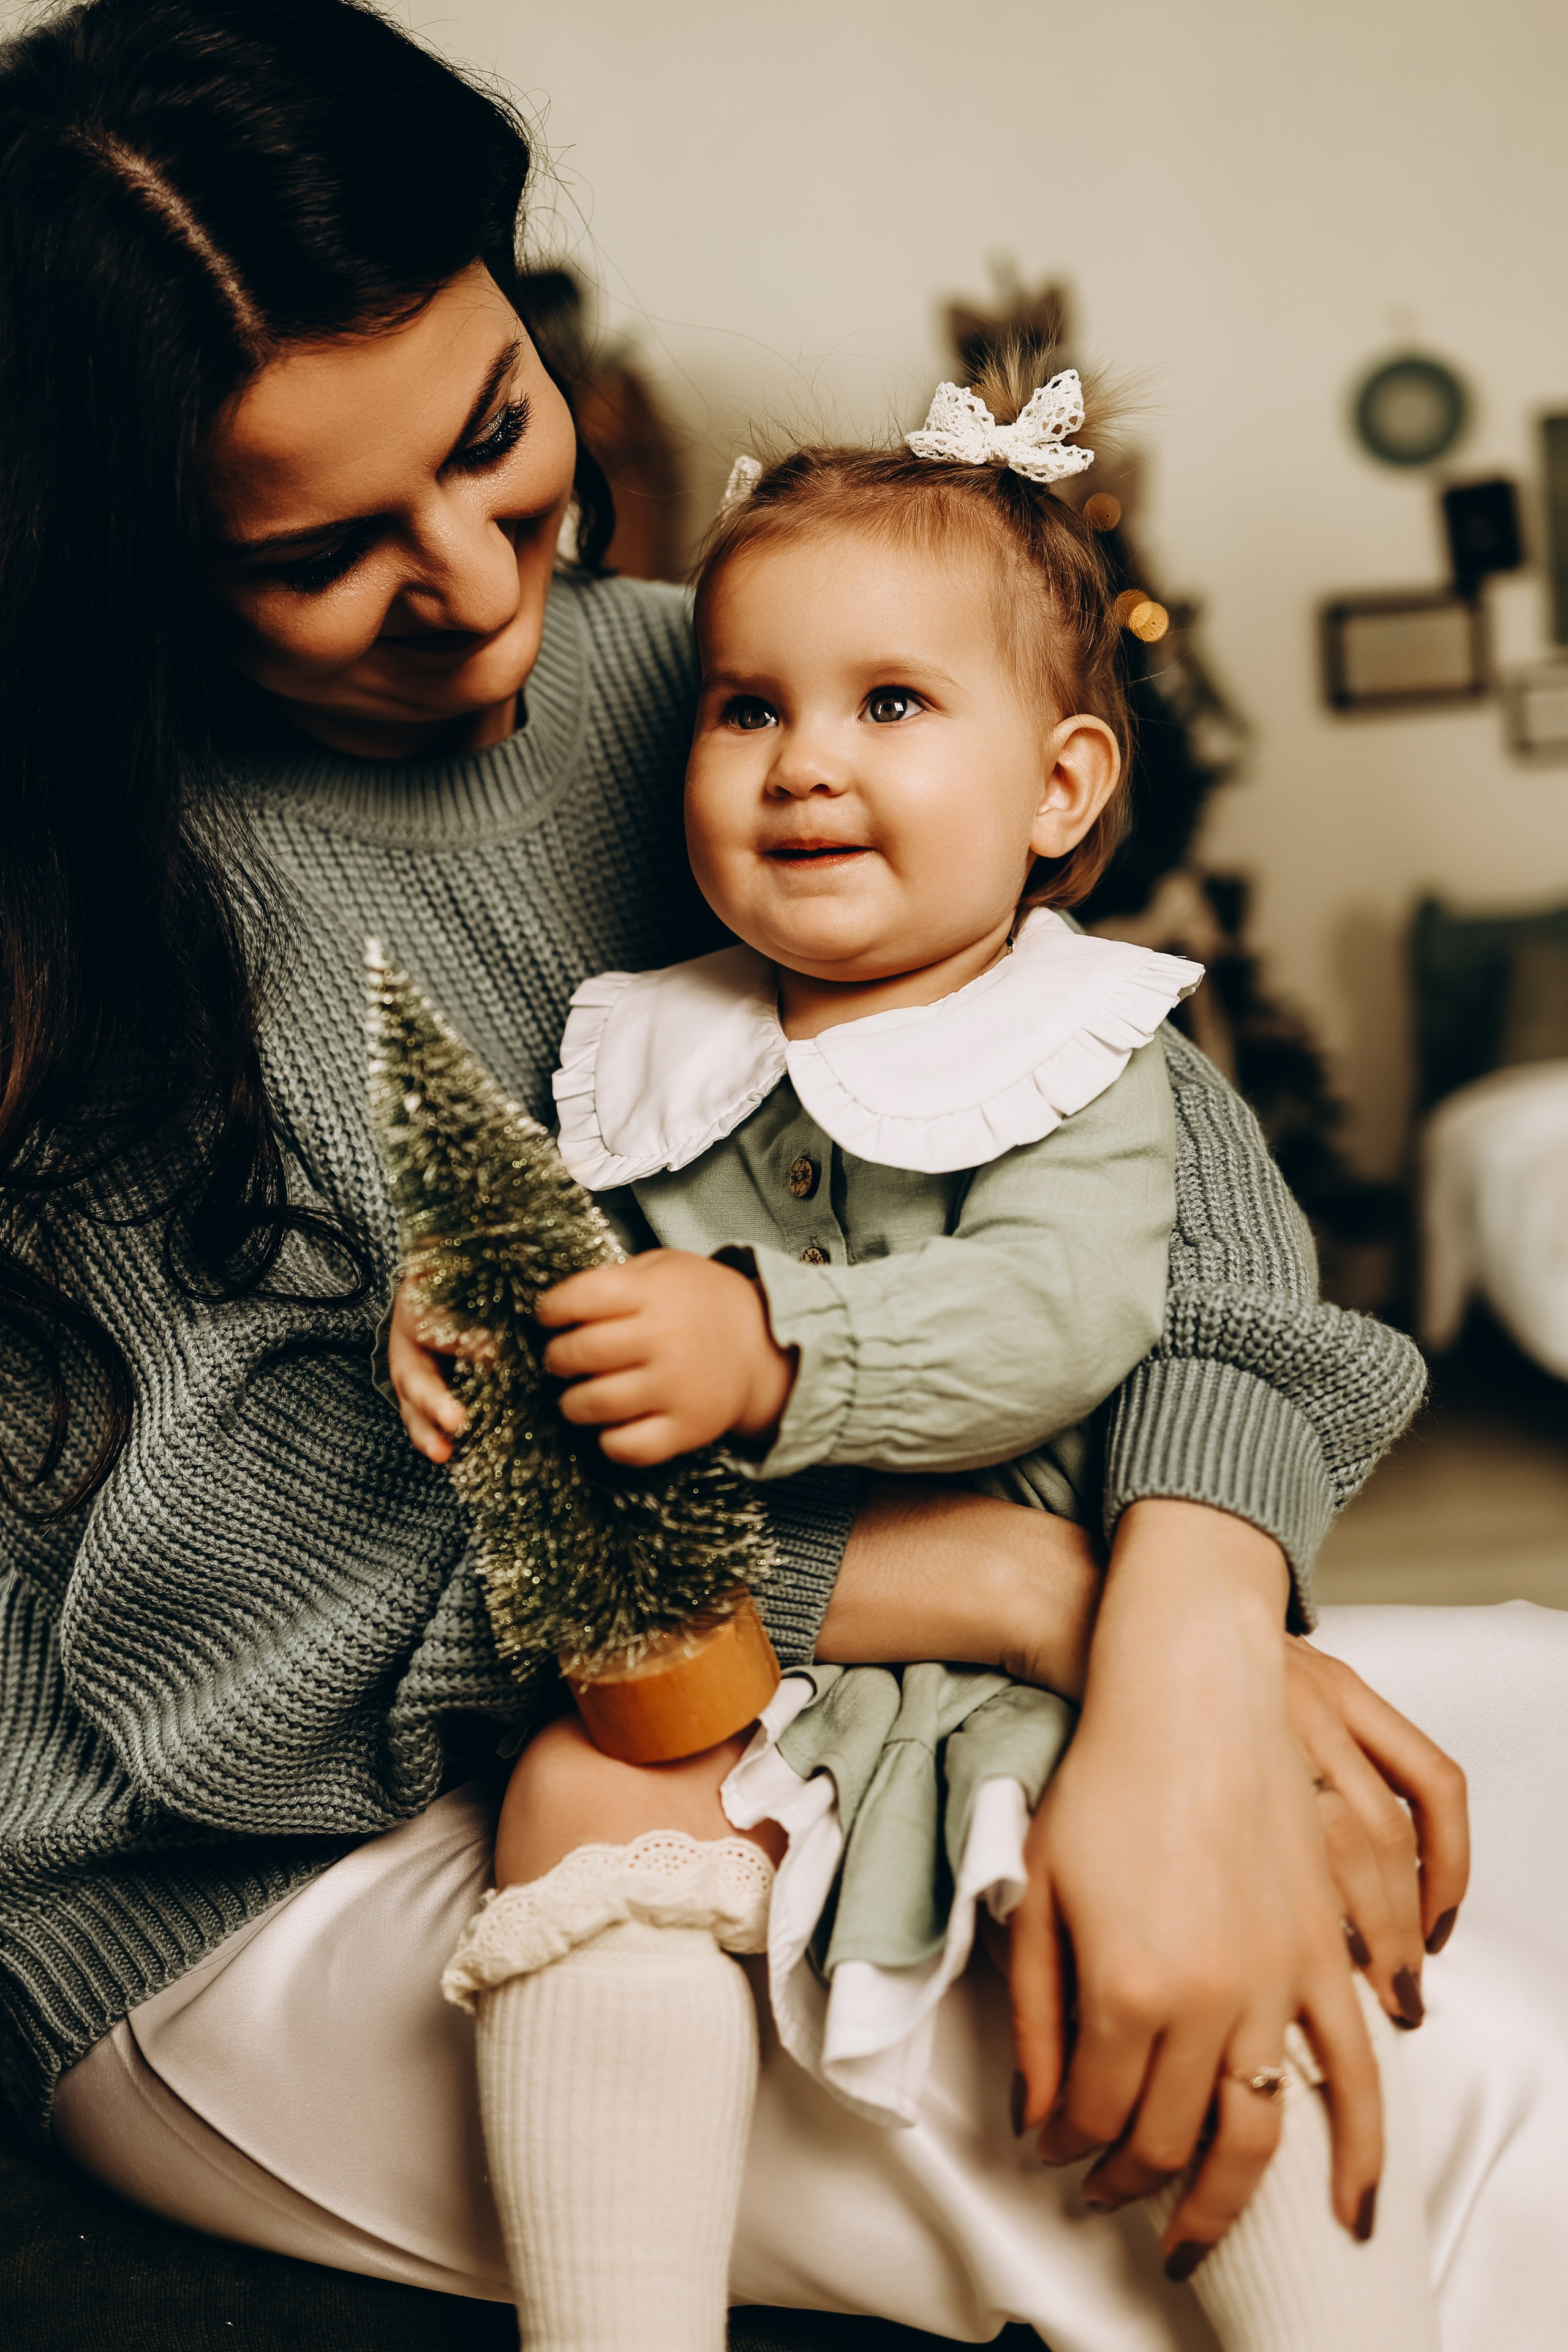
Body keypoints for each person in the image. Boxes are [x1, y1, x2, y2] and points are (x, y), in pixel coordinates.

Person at [0, 4, 1559, 2349]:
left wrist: (1195, 1637)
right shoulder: (78, 930)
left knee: (1492, 1779)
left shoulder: (726, 688)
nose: (471, 577)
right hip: (264, 1876)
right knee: (1417, 2105)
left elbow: (1158, 1142)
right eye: (320, 552)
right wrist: (1027, 1601)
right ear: (115, 568)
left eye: (494, 432)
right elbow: (248, 1646)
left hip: (774, 1700)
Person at [385, 352, 1436, 2351]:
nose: (801, 762)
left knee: (1199, 1923)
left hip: (1045, 1672)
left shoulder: (1081, 1050)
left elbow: (1061, 1314)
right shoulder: (647, 1042)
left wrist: (773, 1344)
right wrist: (462, 1322)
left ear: (1060, 791)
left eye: (889, 706)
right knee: (577, 1807)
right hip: (777, 1649)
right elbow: (577, 1288)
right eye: (747, 707)